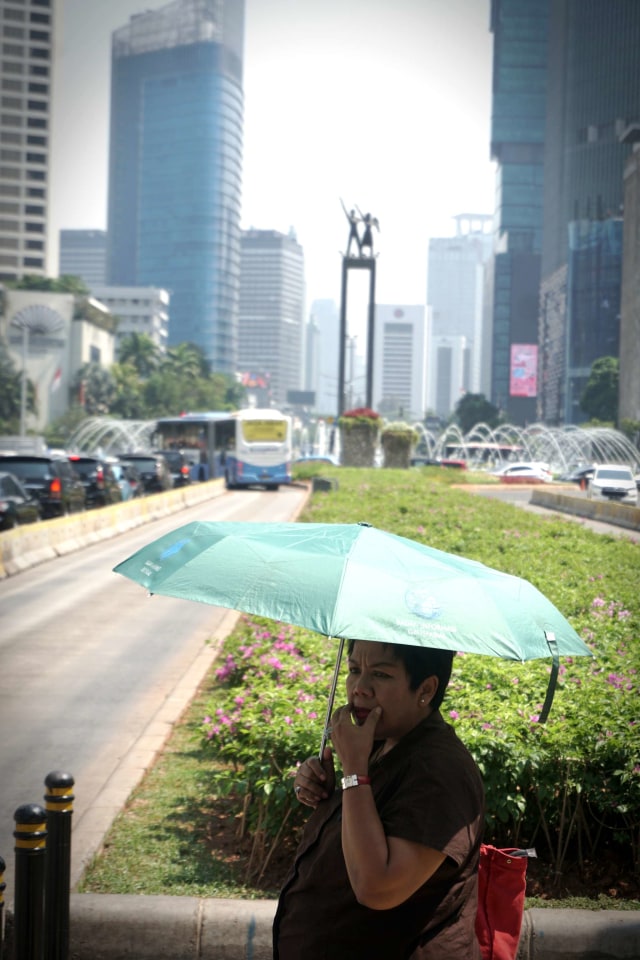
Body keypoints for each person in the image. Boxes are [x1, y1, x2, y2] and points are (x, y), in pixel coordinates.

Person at [272, 639, 484, 960]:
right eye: (354, 670)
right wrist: (327, 789)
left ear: (425, 689)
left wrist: (354, 772)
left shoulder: (440, 771)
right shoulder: (380, 742)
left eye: (381, 675)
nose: (360, 688)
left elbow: (377, 888)